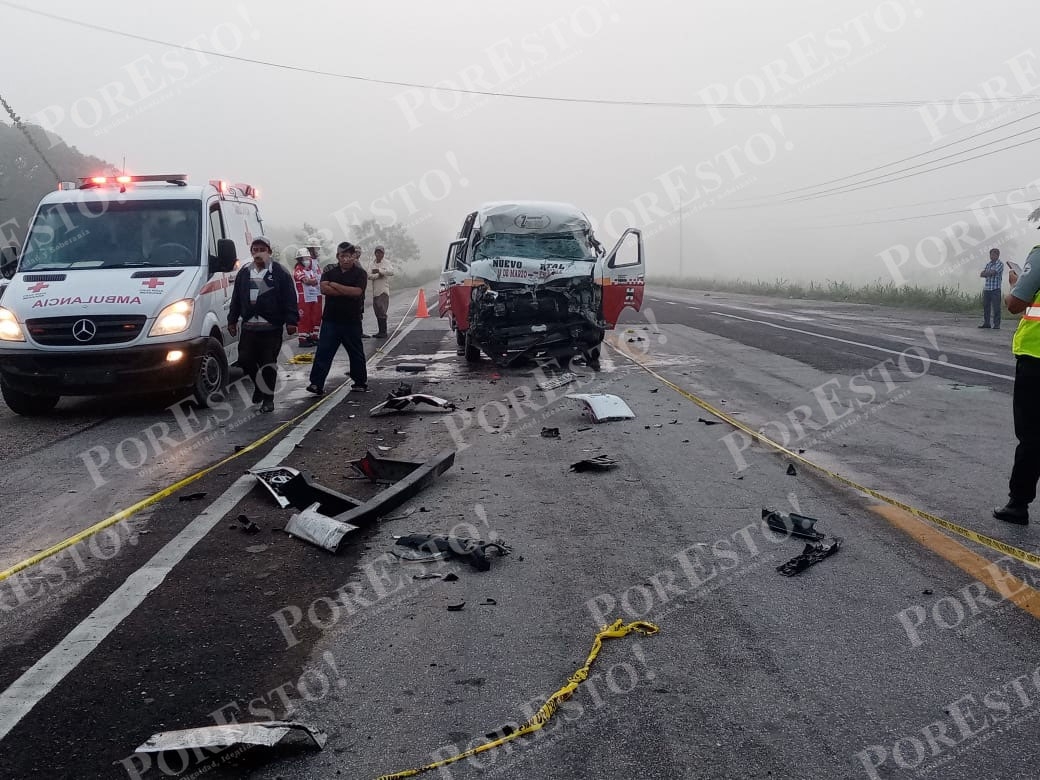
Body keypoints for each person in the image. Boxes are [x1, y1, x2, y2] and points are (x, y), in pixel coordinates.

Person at [994, 243, 1040, 524]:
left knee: (1032, 436)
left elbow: (1015, 304)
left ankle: (1018, 504)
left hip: (1036, 358)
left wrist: (1015, 283)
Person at [228, 237, 298, 413]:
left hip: (271, 326)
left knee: (268, 363)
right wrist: (232, 319)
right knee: (245, 360)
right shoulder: (244, 273)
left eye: (262, 249)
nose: (258, 252)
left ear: (269, 252)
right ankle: (259, 386)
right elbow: (236, 298)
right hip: (249, 326)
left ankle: (268, 399)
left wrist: (291, 321)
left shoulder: (280, 273)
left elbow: (290, 298)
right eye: (255, 249)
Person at [306, 241, 368, 395]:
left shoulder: (360, 273)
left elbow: (356, 293)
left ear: (354, 256)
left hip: (351, 320)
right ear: (337, 256)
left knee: (356, 353)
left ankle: (359, 381)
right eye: (342, 256)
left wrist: (336, 286)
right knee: (323, 352)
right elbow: (324, 289)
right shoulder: (329, 271)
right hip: (330, 320)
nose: (345, 259)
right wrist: (345, 290)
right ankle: (316, 384)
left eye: (348, 256)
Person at [293, 247, 322, 347]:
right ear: (299, 260)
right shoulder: (298, 270)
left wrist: (311, 281)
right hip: (302, 297)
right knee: (303, 318)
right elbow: (306, 281)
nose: (306, 261)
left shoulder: (309, 270)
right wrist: (311, 281)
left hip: (311, 296)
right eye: (304, 259)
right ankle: (302, 339)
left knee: (311, 317)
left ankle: (309, 336)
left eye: (307, 258)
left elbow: (315, 281)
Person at [368, 245, 395, 339]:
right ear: (375, 253)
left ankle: (383, 331)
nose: (379, 254)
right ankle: (380, 331)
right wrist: (378, 275)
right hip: (375, 290)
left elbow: (391, 272)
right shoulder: (372, 263)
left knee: (382, 309)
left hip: (383, 290)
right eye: (377, 252)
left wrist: (380, 271)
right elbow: (369, 275)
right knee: (377, 310)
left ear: (383, 254)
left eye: (381, 253)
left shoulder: (386, 262)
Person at [979, 248, 1004, 329]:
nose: (991, 256)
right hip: (987, 289)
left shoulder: (1000, 264)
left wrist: (987, 273)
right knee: (986, 307)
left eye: (993, 254)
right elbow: (981, 274)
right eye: (991, 254)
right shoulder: (988, 264)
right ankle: (987, 323)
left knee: (996, 307)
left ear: (997, 255)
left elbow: (993, 272)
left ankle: (997, 324)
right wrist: (987, 273)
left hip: (995, 289)